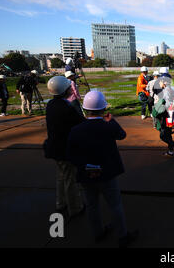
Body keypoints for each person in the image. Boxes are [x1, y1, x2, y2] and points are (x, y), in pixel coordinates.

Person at [67, 91, 138, 248]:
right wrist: (111, 121)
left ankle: (98, 233)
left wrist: (85, 167)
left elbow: (71, 154)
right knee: (115, 205)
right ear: (103, 109)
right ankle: (122, 236)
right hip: (107, 174)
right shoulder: (108, 126)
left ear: (85, 109)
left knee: (92, 205)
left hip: (86, 174)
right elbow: (122, 135)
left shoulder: (76, 130)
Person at [44, 76, 85, 218]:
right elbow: (80, 123)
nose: (71, 89)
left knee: (61, 177)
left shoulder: (51, 104)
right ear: (64, 90)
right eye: (69, 87)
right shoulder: (66, 107)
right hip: (65, 149)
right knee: (70, 179)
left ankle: (60, 203)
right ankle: (75, 207)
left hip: (54, 147)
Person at [153, 69, 174, 157]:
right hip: (170, 115)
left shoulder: (165, 91)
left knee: (163, 135)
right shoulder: (171, 90)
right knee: (168, 134)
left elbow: (164, 105)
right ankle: (171, 151)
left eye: (160, 80)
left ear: (164, 82)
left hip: (164, 115)